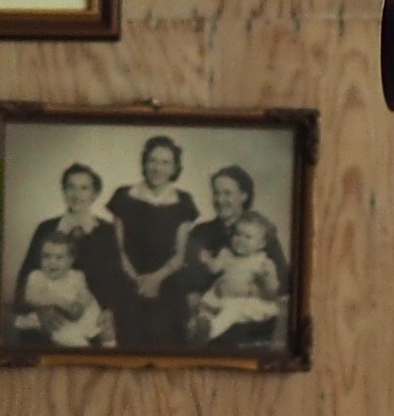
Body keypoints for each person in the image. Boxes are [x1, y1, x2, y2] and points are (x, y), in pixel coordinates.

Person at [4, 162, 117, 351]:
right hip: (50, 311)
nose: (76, 194)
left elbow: (115, 277)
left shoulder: (107, 231)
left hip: (91, 315)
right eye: (71, 187)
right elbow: (26, 275)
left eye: (84, 188)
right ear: (64, 190)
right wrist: (41, 310)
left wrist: (109, 310)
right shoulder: (46, 228)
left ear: (94, 193)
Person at [98, 137, 201, 334]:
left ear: (174, 168)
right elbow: (118, 249)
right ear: (145, 163)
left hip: (167, 280)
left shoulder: (184, 201)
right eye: (152, 161)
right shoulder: (123, 195)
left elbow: (180, 255)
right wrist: (137, 280)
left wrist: (155, 279)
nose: (157, 168)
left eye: (165, 163)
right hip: (128, 279)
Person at [189, 164, 289, 345]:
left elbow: (282, 281)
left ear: (244, 196)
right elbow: (193, 277)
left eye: (227, 193)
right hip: (213, 307)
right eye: (216, 193)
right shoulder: (201, 232)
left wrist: (248, 290)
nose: (220, 199)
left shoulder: (262, 232)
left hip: (249, 319)